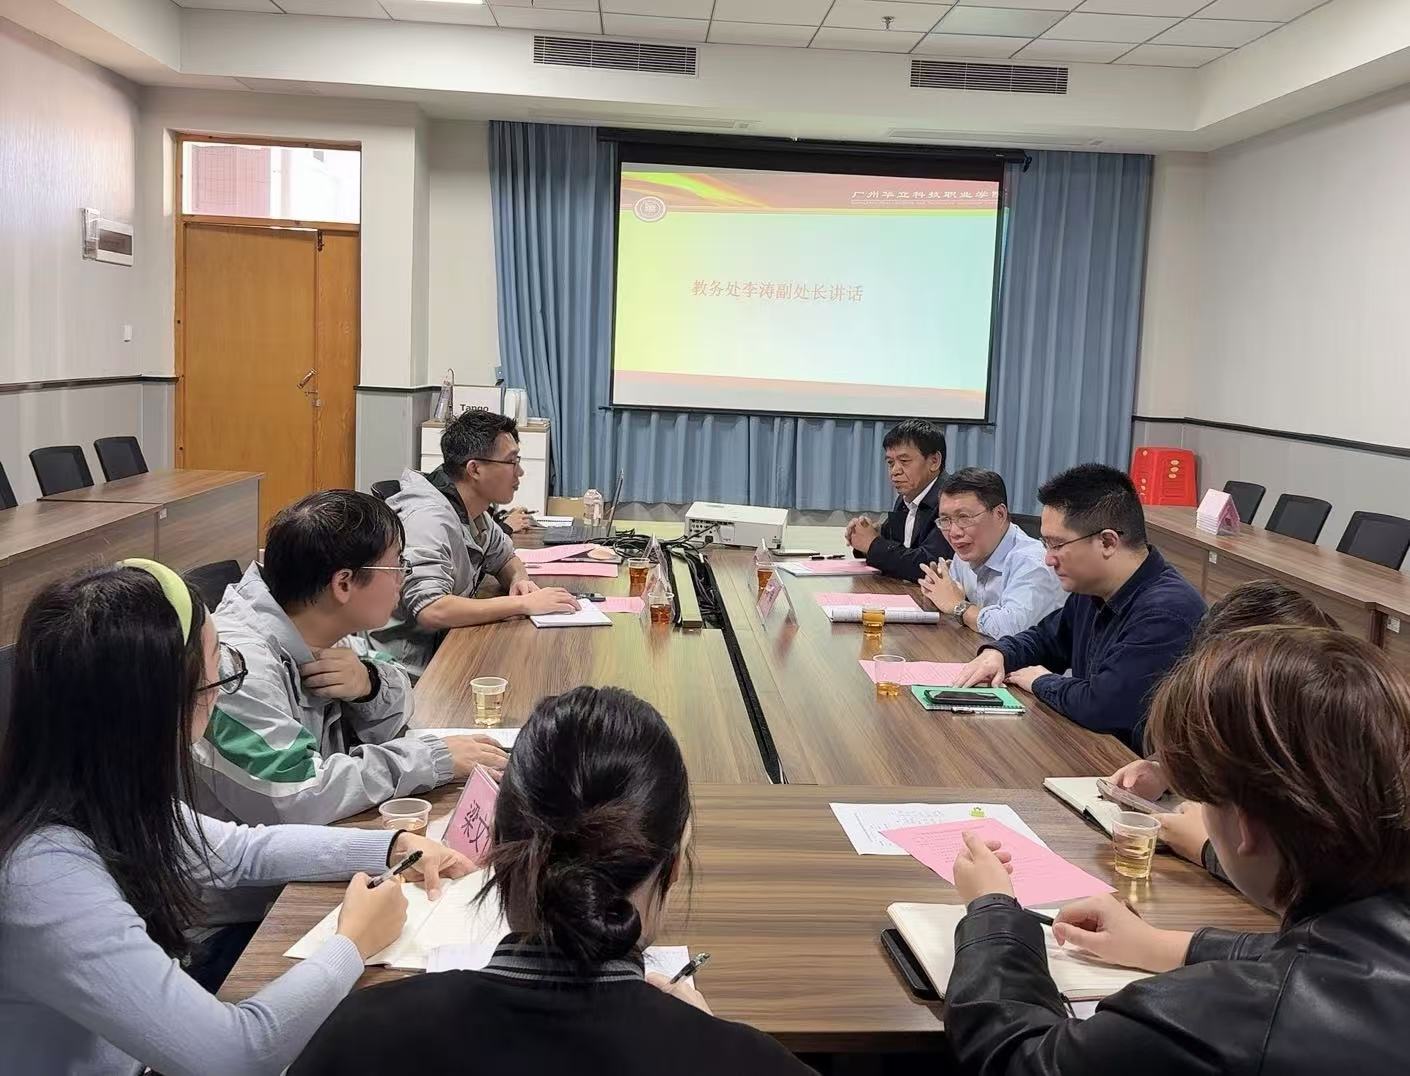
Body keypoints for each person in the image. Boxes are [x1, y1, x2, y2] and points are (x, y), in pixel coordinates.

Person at [0, 560, 470, 1076]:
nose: (222, 692)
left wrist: (391, 846)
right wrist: (353, 942)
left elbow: (242, 851)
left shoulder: (94, 791)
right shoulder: (44, 877)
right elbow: (235, 1055)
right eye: (215, 675)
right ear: (155, 709)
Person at [944, 627, 1410, 1074]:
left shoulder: (1228, 1018)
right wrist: (1162, 945)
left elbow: (1022, 1059)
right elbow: (1325, 959)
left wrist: (992, 910)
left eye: (1202, 798)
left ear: (1245, 826)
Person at [291, 686, 815, 1076]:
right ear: (672, 868)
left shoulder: (358, 1037)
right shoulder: (754, 1064)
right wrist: (708, 1038)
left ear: (497, 849)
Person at [195, 490, 507, 832]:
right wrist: (432, 759)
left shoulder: (321, 624)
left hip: (316, 838)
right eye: (396, 565)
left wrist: (368, 684)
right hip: (250, 863)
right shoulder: (234, 669)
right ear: (343, 583)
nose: (403, 577)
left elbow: (400, 696)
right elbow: (297, 795)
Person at [955, 464, 1205, 747]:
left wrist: (1041, 681)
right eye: (1046, 544)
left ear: (1107, 542)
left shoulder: (1166, 612)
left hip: (1129, 763)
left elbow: (1104, 705)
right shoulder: (1092, 589)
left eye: (1057, 545)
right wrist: (999, 653)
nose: (1048, 559)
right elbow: (1046, 639)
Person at [1108, 579, 1340, 880]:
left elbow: (1314, 884)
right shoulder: (1285, 719)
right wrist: (1166, 770)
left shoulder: (1337, 766)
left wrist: (1205, 849)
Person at [372, 409, 578, 676]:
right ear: (475, 469)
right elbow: (431, 610)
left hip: (445, 649)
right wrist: (525, 604)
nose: (520, 472)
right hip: (406, 672)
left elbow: (505, 557)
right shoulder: (428, 519)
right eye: (511, 462)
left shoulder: (473, 509)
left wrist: (519, 581)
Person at [917, 468, 1063, 638]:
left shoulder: (1032, 562)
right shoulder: (965, 552)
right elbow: (950, 597)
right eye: (945, 520)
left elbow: (1013, 630)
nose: (954, 532)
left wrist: (959, 607)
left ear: (999, 514)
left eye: (964, 518)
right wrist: (936, 593)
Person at [844, 418, 953, 582]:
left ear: (934, 461)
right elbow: (893, 546)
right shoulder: (906, 498)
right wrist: (864, 536)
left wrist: (873, 544)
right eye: (890, 463)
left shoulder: (952, 500)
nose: (895, 471)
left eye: (904, 461)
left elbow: (930, 564)